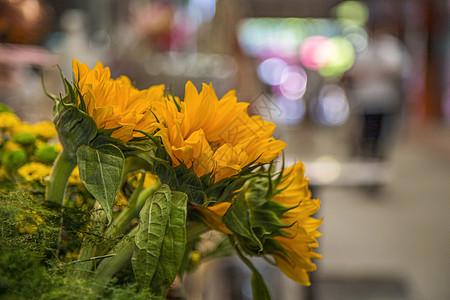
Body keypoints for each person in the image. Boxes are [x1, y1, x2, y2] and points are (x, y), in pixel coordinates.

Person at [347, 21, 410, 160]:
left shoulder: (392, 48)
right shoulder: (365, 48)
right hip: (366, 99)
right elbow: (355, 72)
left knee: (382, 132)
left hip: (385, 99)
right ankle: (366, 153)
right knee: (367, 129)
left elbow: (399, 70)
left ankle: (377, 155)